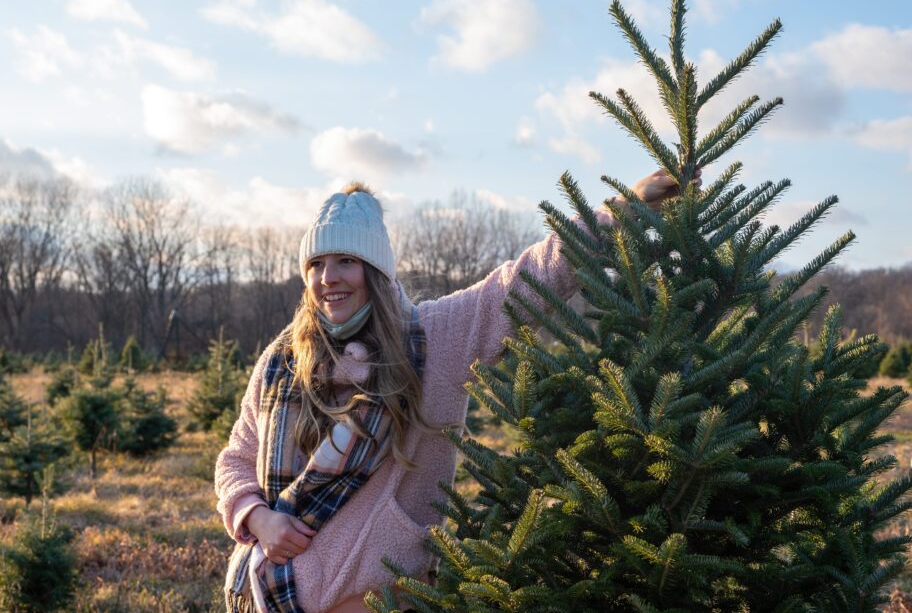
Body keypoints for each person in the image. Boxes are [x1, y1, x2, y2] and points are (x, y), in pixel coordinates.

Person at [214, 170, 688, 613]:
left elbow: (523, 281)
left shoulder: (433, 338)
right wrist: (258, 518)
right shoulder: (283, 360)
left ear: (375, 272)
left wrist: (621, 210)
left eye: (345, 261)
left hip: (378, 594)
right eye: (316, 264)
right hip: (274, 589)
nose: (328, 278)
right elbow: (237, 457)